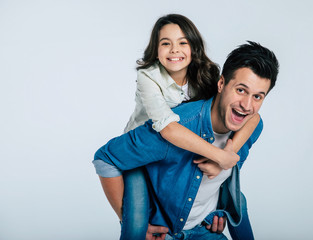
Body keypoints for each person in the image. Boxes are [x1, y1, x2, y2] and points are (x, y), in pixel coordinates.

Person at [93, 14, 260, 239]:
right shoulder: (148, 76)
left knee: (236, 198)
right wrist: (220, 158)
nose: (174, 50)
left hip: (176, 152)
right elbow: (167, 129)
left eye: (182, 42)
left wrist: (229, 153)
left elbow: (249, 117)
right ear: (156, 49)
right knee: (136, 221)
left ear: (194, 47)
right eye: (165, 43)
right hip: (142, 151)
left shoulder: (208, 74)